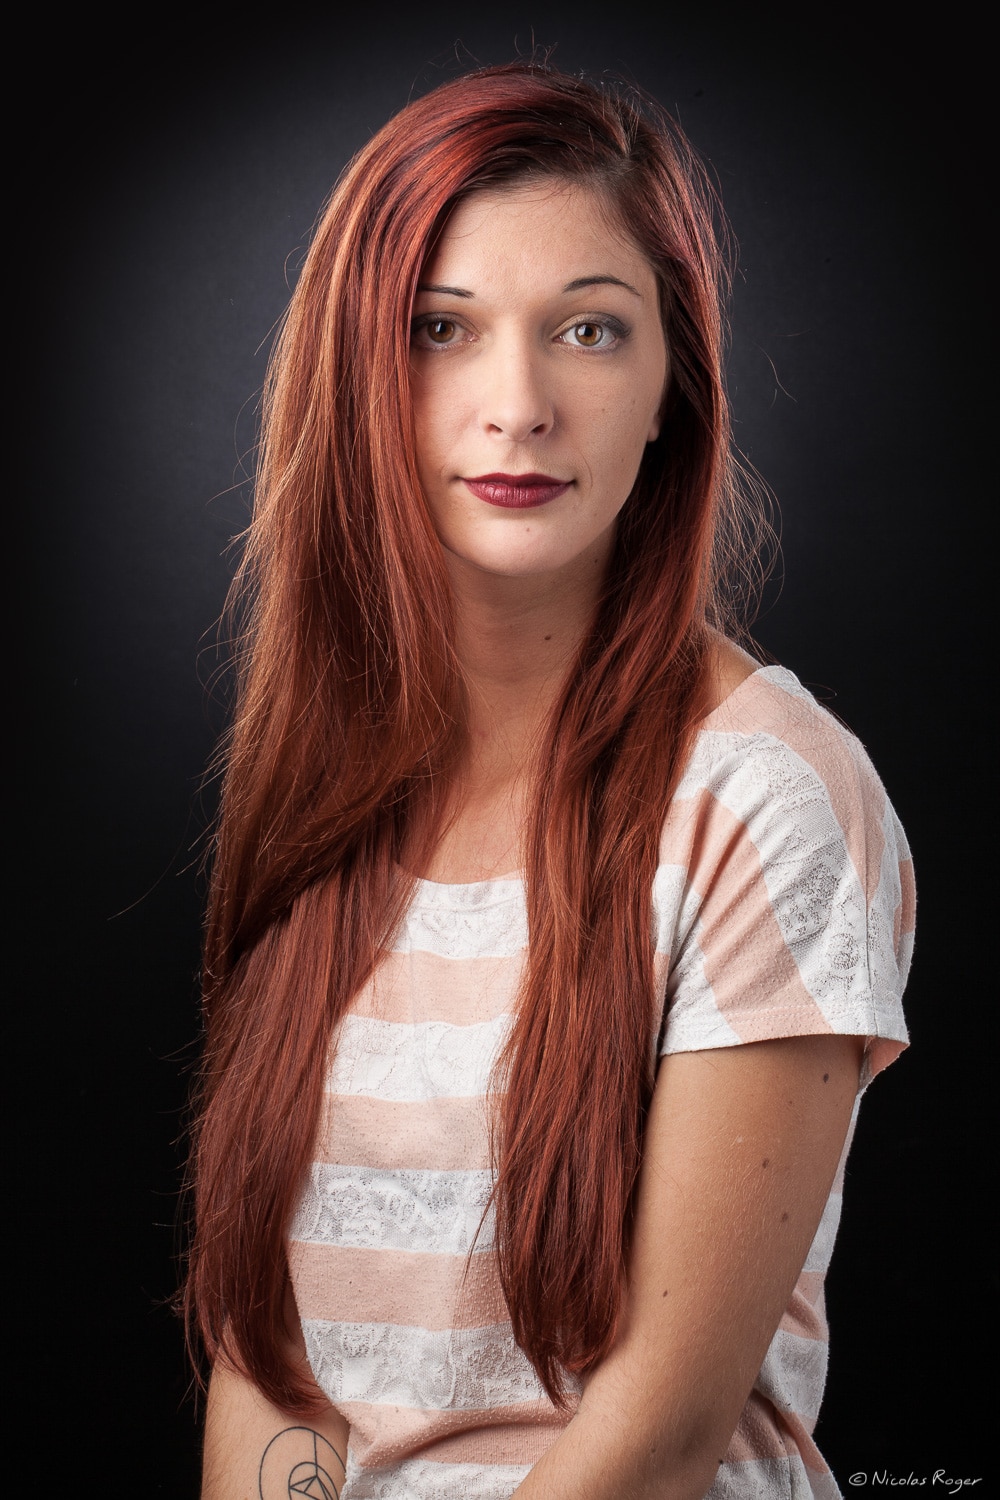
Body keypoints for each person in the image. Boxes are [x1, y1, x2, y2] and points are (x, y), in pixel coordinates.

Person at [187, 62, 915, 1500]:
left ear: (670, 393)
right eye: (442, 332)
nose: (516, 404)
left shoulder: (765, 797)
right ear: (360, 381)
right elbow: (274, 1367)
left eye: (590, 330)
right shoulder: (323, 793)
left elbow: (653, 1437)